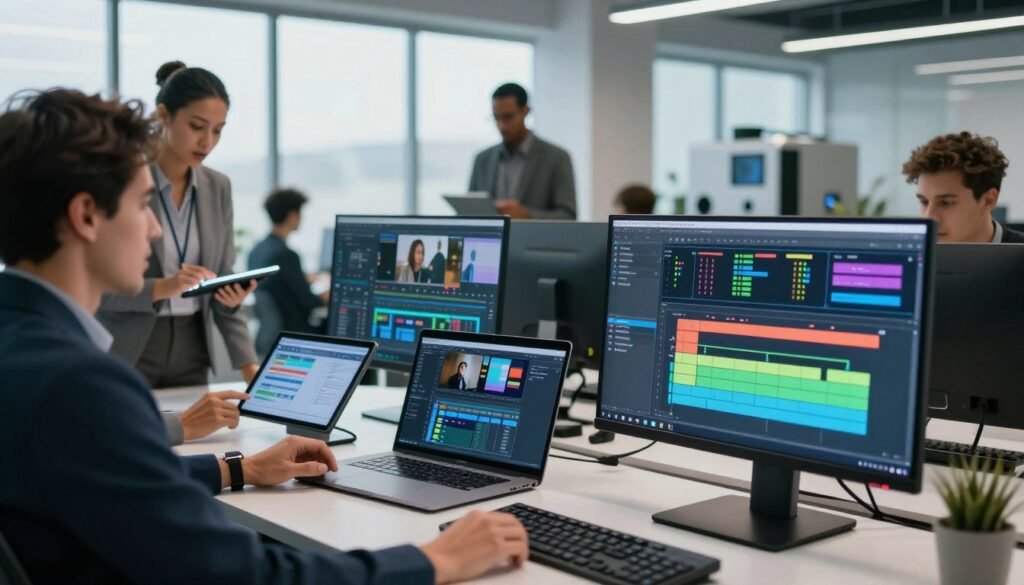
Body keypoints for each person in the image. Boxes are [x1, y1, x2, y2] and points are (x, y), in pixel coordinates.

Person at [0, 87, 528, 585]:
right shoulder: (82, 384)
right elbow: (246, 576)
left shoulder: (19, 343)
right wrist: (432, 559)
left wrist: (240, 468)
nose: (156, 229)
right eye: (142, 205)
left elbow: (110, 490)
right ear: (86, 215)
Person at [98, 61, 261, 389]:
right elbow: (97, 287)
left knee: (200, 440)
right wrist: (163, 287)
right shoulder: (124, 178)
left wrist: (250, 369)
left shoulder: (218, 187)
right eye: (197, 126)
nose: (208, 141)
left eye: (218, 130)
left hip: (193, 348)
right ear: (163, 115)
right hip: (130, 346)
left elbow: (223, 276)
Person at [468, 83, 577, 219]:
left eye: (507, 117)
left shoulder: (557, 158)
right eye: (496, 118)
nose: (501, 126)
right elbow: (470, 212)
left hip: (534, 239)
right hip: (490, 240)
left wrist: (527, 215)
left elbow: (568, 215)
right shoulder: (482, 159)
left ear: (525, 111)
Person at [904, 131, 1023, 243]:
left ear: (988, 200)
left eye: (946, 203)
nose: (929, 218)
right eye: (924, 201)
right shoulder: (909, 254)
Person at [248, 188, 327, 356]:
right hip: (293, 334)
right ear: (292, 216)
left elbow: (277, 285)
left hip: (268, 337)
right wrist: (329, 294)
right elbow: (309, 302)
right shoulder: (286, 255)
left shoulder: (257, 251)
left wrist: (304, 278)